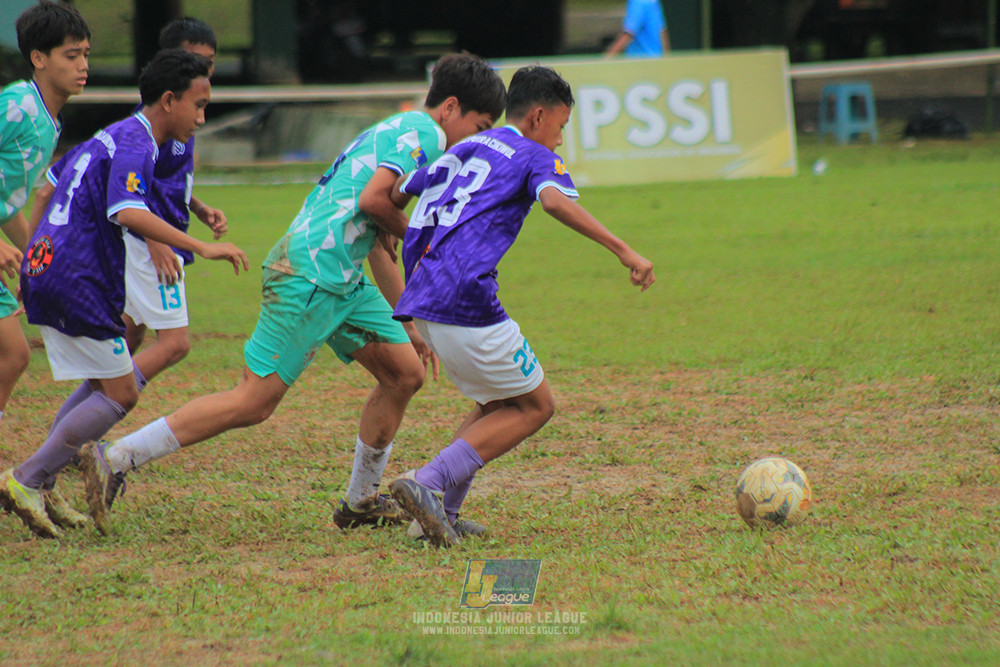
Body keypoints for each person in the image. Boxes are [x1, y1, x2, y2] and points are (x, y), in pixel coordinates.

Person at [77, 53, 506, 536]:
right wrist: (421, 238)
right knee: (252, 402)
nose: (476, 140)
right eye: (480, 125)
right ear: (451, 107)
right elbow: (374, 204)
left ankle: (360, 500)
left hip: (338, 277)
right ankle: (117, 458)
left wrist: (406, 316)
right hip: (310, 272)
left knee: (404, 373)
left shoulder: (401, 130)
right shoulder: (426, 135)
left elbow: (377, 239)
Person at [386, 65, 656, 547]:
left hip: (421, 295)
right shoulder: (533, 155)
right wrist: (624, 250)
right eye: (560, 127)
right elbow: (554, 203)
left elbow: (399, 191)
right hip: (463, 295)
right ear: (537, 117)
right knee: (535, 406)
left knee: (495, 402)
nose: (558, 140)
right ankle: (426, 482)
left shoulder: (468, 145)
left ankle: (439, 512)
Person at [0, 49, 250, 539]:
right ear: (169, 99)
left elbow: (49, 188)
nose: (201, 119)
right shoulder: (136, 142)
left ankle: (41, 482)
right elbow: (128, 211)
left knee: (102, 385)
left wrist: (34, 260)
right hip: (77, 276)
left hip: (54, 267)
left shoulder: (114, 135)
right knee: (122, 391)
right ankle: (26, 478)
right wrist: (198, 245)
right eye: (197, 106)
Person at [0, 1, 90, 438]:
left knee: (12, 355)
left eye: (86, 55)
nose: (83, 66)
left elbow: (9, 202)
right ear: (39, 59)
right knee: (13, 354)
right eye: (71, 56)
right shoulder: (17, 105)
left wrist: (33, 257)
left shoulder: (49, 121)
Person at [605, 0, 670, 57]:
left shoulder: (638, 3)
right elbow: (662, 32)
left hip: (641, 61)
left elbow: (628, 34)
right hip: (655, 60)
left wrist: (606, 59)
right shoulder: (653, 2)